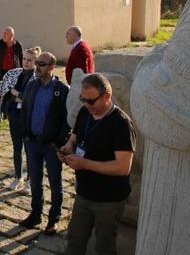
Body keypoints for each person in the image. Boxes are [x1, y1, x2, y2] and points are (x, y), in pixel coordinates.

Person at [58, 74, 135, 255]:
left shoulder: (121, 124)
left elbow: (123, 168)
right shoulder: (86, 112)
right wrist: (67, 148)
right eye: (83, 99)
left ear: (107, 96)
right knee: (75, 240)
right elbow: (75, 137)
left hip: (109, 199)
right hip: (84, 193)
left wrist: (85, 164)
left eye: (91, 101)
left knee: (104, 247)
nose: (87, 105)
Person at [19, 52, 69, 235]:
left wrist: (59, 141)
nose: (37, 66)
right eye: (37, 63)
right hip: (32, 142)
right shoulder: (32, 86)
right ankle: (36, 214)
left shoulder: (62, 90)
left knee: (55, 183)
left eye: (42, 63)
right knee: (35, 181)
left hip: (51, 145)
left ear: (52, 67)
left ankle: (53, 219)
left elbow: (68, 120)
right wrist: (25, 134)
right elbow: (25, 110)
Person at [0, 46, 40, 190]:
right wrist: (17, 96)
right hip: (14, 115)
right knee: (16, 148)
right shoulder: (13, 73)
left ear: (36, 62)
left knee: (29, 149)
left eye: (30, 60)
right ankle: (18, 177)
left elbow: (32, 99)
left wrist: (15, 93)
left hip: (29, 118)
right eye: (25, 59)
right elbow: (2, 90)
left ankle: (30, 180)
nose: (26, 62)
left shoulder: (38, 77)